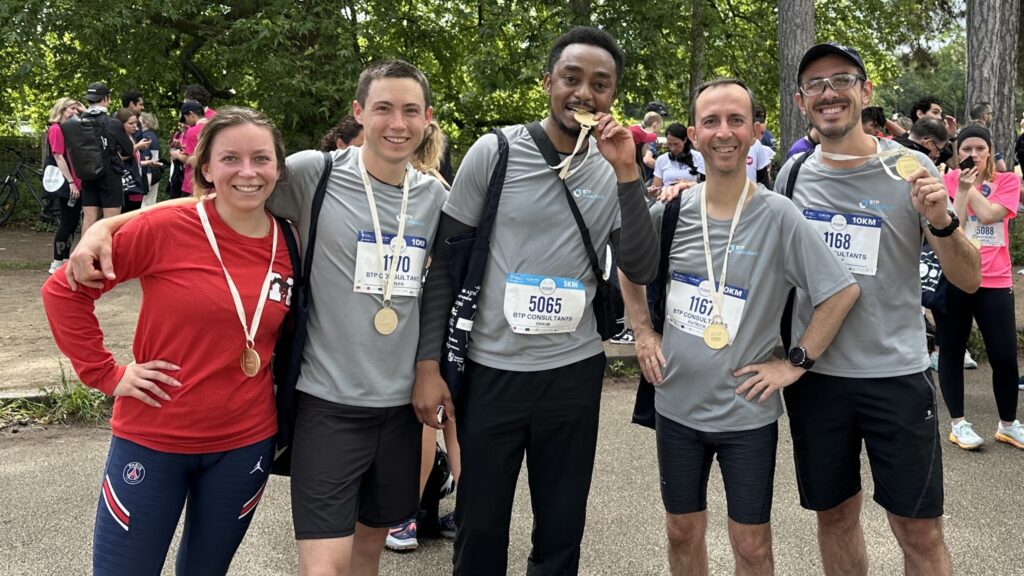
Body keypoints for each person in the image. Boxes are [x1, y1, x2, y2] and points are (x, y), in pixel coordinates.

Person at [66, 61, 448, 576]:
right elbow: (220, 197)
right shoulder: (319, 172)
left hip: (395, 406)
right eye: (382, 108)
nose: (396, 123)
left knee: (367, 553)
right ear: (359, 114)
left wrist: (429, 369)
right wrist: (104, 231)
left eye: (408, 111)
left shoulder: (434, 197)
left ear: (427, 119)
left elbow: (443, 284)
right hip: (324, 401)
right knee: (324, 566)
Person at [412, 26, 658, 575]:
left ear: (612, 96)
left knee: (562, 527)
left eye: (600, 84)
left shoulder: (613, 165)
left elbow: (640, 266)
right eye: (571, 78)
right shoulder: (494, 152)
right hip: (491, 372)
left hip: (571, 374)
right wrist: (429, 364)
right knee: (479, 525)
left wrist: (627, 175)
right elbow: (445, 268)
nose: (584, 94)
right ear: (549, 81)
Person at [622, 77, 859, 576]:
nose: (723, 132)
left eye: (736, 120)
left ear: (755, 131)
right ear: (694, 132)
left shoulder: (779, 214)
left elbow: (840, 292)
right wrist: (643, 331)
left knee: (751, 546)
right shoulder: (671, 210)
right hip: (676, 405)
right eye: (711, 121)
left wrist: (794, 363)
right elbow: (629, 265)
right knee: (680, 531)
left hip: (746, 413)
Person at [42, 106, 293, 575]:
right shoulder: (167, 229)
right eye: (230, 158)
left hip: (245, 444)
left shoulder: (292, 242)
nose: (247, 171)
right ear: (206, 169)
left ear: (278, 167)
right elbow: (62, 293)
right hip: (153, 439)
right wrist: (106, 374)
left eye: (261, 158)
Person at [777, 42, 980, 576]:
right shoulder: (791, 177)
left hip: (895, 375)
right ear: (802, 102)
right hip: (817, 378)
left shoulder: (909, 168)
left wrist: (941, 220)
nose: (829, 93)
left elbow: (969, 276)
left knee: (918, 529)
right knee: (835, 517)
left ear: (865, 92)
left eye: (841, 80)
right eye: (816, 84)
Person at [937, 125, 1023, 450]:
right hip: (957, 278)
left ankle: (1009, 424)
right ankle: (959, 424)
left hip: (996, 279)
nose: (972, 155)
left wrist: (969, 186)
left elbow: (988, 215)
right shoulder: (948, 182)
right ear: (957, 152)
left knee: (1004, 355)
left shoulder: (1009, 181)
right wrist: (960, 189)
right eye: (965, 149)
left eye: (979, 149)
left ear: (990, 151)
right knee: (953, 350)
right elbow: (951, 227)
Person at [76, 82, 133, 233]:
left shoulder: (80, 121)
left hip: (88, 173)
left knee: (89, 219)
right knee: (110, 222)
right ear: (106, 99)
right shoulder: (112, 123)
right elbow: (129, 149)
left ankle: (84, 254)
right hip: (109, 174)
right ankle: (107, 256)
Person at [46, 97, 84, 275]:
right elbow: (58, 157)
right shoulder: (56, 129)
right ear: (62, 110)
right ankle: (57, 260)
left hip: (75, 181)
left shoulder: (69, 129)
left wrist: (84, 112)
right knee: (67, 222)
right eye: (72, 109)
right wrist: (70, 182)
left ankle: (64, 257)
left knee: (72, 221)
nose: (75, 113)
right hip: (67, 183)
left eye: (77, 110)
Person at [650, 122, 703, 201]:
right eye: (669, 144)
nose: (672, 148)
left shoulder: (699, 157)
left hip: (692, 200)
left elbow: (706, 187)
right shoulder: (661, 160)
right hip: (667, 200)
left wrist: (688, 184)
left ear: (685, 140)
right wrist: (654, 192)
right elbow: (656, 188)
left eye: (676, 144)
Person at [113, 108, 149, 212]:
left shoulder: (131, 137)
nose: (135, 126)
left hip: (136, 180)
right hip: (126, 184)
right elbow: (119, 156)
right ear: (121, 124)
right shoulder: (118, 138)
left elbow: (134, 161)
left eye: (136, 123)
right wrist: (137, 147)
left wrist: (148, 162)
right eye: (131, 123)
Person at [171, 101, 206, 197]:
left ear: (191, 114)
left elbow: (189, 159)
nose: (185, 122)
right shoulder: (212, 127)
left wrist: (177, 155)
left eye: (185, 118)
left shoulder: (193, 131)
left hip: (192, 181)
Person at [138, 112, 162, 207]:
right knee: (150, 202)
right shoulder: (153, 135)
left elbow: (147, 156)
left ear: (145, 122)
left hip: (148, 172)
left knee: (144, 204)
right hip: (154, 172)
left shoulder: (145, 136)